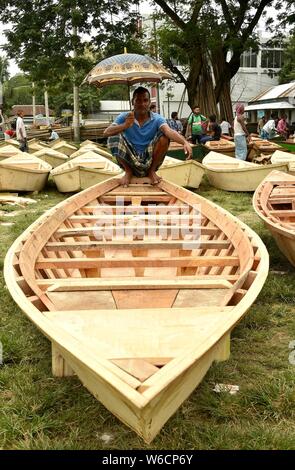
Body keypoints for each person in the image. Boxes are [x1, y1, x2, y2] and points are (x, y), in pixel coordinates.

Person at [104, 86, 192, 187]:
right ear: (133, 102)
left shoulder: (157, 118)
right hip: (130, 159)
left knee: (164, 137)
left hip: (149, 159)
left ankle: (151, 172)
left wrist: (184, 142)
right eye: (138, 100)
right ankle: (128, 172)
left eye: (145, 100)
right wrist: (125, 125)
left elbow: (168, 131)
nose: (142, 104)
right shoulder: (125, 117)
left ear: (150, 102)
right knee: (113, 136)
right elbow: (106, 132)